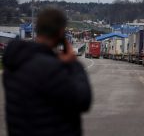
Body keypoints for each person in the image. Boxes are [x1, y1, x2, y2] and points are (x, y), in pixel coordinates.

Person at [2, 8, 92, 136]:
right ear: (61, 33)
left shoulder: (15, 64)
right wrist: (73, 63)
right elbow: (83, 100)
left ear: (37, 29)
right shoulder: (51, 69)